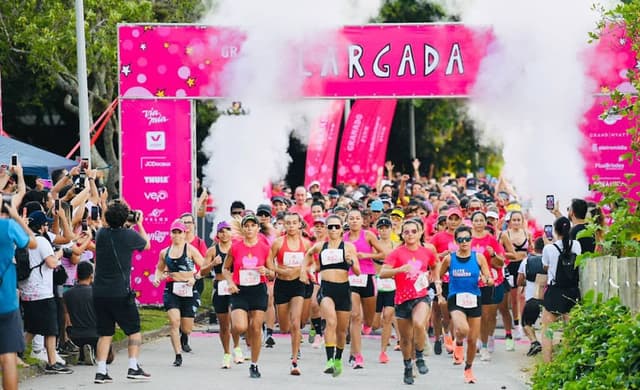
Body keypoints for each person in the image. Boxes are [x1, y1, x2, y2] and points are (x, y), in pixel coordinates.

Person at [92, 201, 150, 384]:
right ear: (125, 218)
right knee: (134, 330)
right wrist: (139, 223)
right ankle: (133, 366)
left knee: (105, 333)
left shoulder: (101, 234)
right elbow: (146, 244)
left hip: (99, 292)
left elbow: (111, 227)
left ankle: (101, 371)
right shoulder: (129, 235)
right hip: (120, 292)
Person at [379, 219, 438, 385]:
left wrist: (436, 278)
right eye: (407, 232)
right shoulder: (397, 253)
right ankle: (407, 366)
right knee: (405, 339)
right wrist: (399, 270)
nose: (410, 234)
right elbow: (382, 273)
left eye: (414, 231)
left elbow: (435, 264)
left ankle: (419, 356)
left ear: (420, 233)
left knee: (419, 324)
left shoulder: (427, 251)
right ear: (402, 234)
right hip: (402, 299)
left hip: (421, 296)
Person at [302, 215, 360, 377]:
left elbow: (358, 271)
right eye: (330, 227)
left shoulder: (348, 247)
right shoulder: (321, 246)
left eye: (336, 227)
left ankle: (338, 359)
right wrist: (305, 270)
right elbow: (308, 254)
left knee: (342, 331)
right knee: (331, 322)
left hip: (343, 290)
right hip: (326, 289)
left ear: (342, 229)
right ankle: (328, 360)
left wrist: (352, 262)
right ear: (327, 229)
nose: (333, 229)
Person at [436, 225, 494, 384]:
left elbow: (488, 277)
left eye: (467, 239)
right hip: (455, 298)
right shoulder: (449, 259)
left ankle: (468, 368)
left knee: (473, 341)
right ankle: (458, 343)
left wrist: (488, 280)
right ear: (456, 241)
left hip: (474, 298)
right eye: (460, 240)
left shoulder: (479, 257)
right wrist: (440, 294)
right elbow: (437, 276)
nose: (464, 242)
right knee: (463, 328)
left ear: (471, 240)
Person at [20, 210, 73, 374]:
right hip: (42, 291)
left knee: (32, 327)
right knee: (51, 329)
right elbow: (51, 263)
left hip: (26, 291)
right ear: (41, 227)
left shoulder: (24, 240)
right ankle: (52, 362)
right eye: (46, 224)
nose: (47, 227)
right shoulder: (41, 241)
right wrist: (59, 253)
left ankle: (15, 353)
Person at [222, 214, 274, 379]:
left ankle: (254, 364)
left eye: (253, 225)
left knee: (256, 328)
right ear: (243, 229)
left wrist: (267, 272)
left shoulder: (265, 247)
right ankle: (239, 341)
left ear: (258, 228)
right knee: (239, 326)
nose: (250, 228)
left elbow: (273, 273)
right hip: (240, 291)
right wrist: (230, 282)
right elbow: (225, 268)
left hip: (258, 290)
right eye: (247, 226)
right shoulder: (235, 247)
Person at [153, 220, 205, 367]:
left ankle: (184, 336)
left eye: (179, 232)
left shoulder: (190, 250)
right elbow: (159, 268)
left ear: (184, 233)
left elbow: (204, 267)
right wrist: (158, 278)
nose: (176, 235)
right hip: (172, 290)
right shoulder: (165, 252)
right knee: (174, 322)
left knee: (187, 328)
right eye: (174, 232)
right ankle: (178, 354)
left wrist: (194, 278)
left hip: (189, 290)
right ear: (170, 234)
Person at [0, 197, 37, 390]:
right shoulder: (7, 226)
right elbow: (33, 243)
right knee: (8, 356)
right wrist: (17, 218)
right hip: (5, 301)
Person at [344, 208, 387, 369]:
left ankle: (367, 326)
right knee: (355, 316)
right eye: (351, 218)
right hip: (351, 278)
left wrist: (365, 256)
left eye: (357, 218)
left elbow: (383, 254)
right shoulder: (344, 239)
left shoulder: (368, 235)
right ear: (347, 221)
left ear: (362, 221)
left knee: (369, 320)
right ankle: (357, 355)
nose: (354, 221)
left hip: (367, 278)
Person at [269, 212, 311, 375]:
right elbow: (269, 262)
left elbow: (312, 263)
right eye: (288, 223)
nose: (291, 226)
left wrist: (304, 270)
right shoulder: (278, 243)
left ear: (300, 224)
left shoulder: (306, 244)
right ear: (284, 225)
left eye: (294, 223)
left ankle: (294, 360)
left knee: (295, 322)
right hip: (282, 285)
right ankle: (293, 337)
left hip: (298, 285)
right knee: (285, 327)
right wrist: (280, 271)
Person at [201, 221, 243, 368]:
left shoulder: (237, 248)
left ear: (231, 233)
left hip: (234, 286)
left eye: (227, 230)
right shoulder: (212, 250)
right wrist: (212, 264)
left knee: (235, 321)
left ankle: (237, 348)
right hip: (219, 287)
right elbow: (202, 272)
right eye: (221, 231)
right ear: (217, 234)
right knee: (224, 325)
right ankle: (226, 354)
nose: (224, 233)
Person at [540, 216, 581, 363]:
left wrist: (547, 244)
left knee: (548, 329)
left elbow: (545, 267)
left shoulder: (549, 248)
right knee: (570, 330)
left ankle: (547, 364)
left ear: (555, 231)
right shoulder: (577, 245)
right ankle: (568, 364)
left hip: (555, 291)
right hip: (572, 290)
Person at [469, 211, 506, 361]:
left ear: (485, 223)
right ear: (472, 223)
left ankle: (485, 343)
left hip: (489, 280)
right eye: (476, 220)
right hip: (470, 281)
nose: (478, 223)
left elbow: (501, 262)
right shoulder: (466, 239)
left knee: (487, 315)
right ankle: (478, 340)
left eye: (481, 220)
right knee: (474, 315)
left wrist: (492, 255)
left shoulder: (491, 240)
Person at [179, 212, 208, 353]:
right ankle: (181, 334)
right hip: (179, 280)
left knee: (189, 309)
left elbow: (204, 263)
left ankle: (184, 336)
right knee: (177, 308)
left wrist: (196, 275)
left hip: (195, 281)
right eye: (183, 222)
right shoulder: (176, 241)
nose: (186, 226)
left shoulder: (199, 242)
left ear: (194, 224)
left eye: (189, 222)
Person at [372, 216, 398, 364]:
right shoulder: (374, 246)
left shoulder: (396, 246)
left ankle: (383, 352)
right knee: (374, 324)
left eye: (386, 227)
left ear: (391, 229)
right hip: (376, 285)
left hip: (391, 285)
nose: (384, 230)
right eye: (381, 228)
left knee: (388, 316)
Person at [517, 237, 547, 357]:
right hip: (548, 298)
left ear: (534, 247)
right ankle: (546, 347)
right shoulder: (550, 260)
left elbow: (519, 281)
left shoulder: (526, 261)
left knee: (526, 322)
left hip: (532, 298)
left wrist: (526, 283)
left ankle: (534, 342)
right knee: (547, 324)